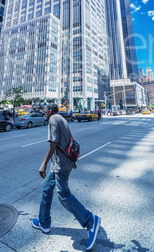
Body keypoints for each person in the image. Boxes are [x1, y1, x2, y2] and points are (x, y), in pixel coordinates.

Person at [32, 103, 101, 251]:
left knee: (63, 195)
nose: (43, 112)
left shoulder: (52, 120)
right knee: (47, 189)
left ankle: (90, 221)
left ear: (50, 111)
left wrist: (43, 163)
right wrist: (73, 159)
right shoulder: (61, 118)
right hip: (61, 163)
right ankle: (44, 222)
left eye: (45, 110)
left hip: (61, 165)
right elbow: (69, 140)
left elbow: (54, 143)